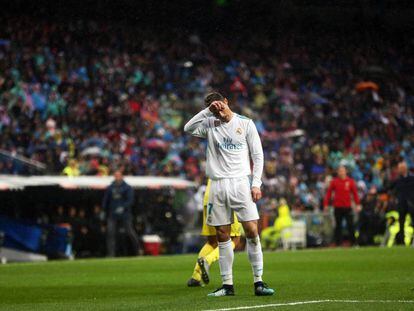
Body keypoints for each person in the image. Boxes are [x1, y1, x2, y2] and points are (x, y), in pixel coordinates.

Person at [184, 92, 274, 297]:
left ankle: (259, 282)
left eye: (218, 104)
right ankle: (227, 286)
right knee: (222, 235)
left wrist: (256, 183)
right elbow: (187, 128)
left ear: (226, 102)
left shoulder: (246, 123)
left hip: (242, 183)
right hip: (217, 185)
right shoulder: (209, 124)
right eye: (212, 107)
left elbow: (258, 155)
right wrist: (208, 111)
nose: (218, 109)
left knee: (251, 231)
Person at [187, 178, 241, 287]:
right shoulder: (233, 162)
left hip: (209, 197)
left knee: (212, 242)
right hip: (226, 198)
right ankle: (207, 260)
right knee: (235, 238)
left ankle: (195, 277)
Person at [102, 170, 141, 257]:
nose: (117, 177)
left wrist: (123, 207)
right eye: (115, 176)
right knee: (110, 233)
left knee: (130, 232)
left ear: (122, 177)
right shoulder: (110, 188)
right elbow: (106, 200)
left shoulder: (127, 188)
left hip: (125, 214)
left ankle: (138, 250)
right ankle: (111, 254)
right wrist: (104, 210)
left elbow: (130, 200)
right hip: (112, 214)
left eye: (118, 176)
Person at [323, 165, 360, 246]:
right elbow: (328, 194)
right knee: (338, 226)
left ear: (346, 171)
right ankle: (338, 243)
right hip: (337, 207)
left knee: (350, 225)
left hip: (347, 206)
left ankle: (353, 243)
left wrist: (358, 204)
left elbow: (355, 194)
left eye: (342, 170)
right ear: (337, 172)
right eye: (339, 171)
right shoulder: (334, 182)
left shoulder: (350, 181)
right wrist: (326, 204)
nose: (341, 172)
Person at [387, 161, 414, 245]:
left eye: (400, 168)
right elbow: (389, 187)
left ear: (404, 168)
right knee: (401, 223)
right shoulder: (398, 180)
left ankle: (412, 241)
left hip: (411, 204)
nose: (399, 170)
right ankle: (402, 242)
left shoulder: (412, 178)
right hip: (401, 205)